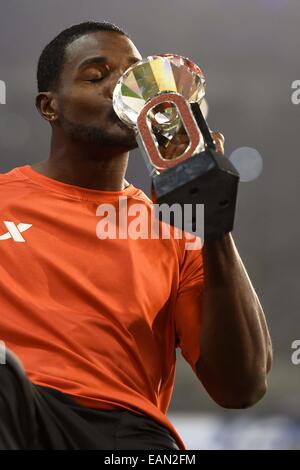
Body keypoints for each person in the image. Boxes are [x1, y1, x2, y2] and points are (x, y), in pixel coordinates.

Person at [0, 21, 272, 450]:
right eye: (97, 76)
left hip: (128, 440)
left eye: (132, 76)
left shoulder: (180, 228)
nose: (121, 88)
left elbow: (242, 386)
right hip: (18, 412)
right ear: (49, 106)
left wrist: (214, 228)